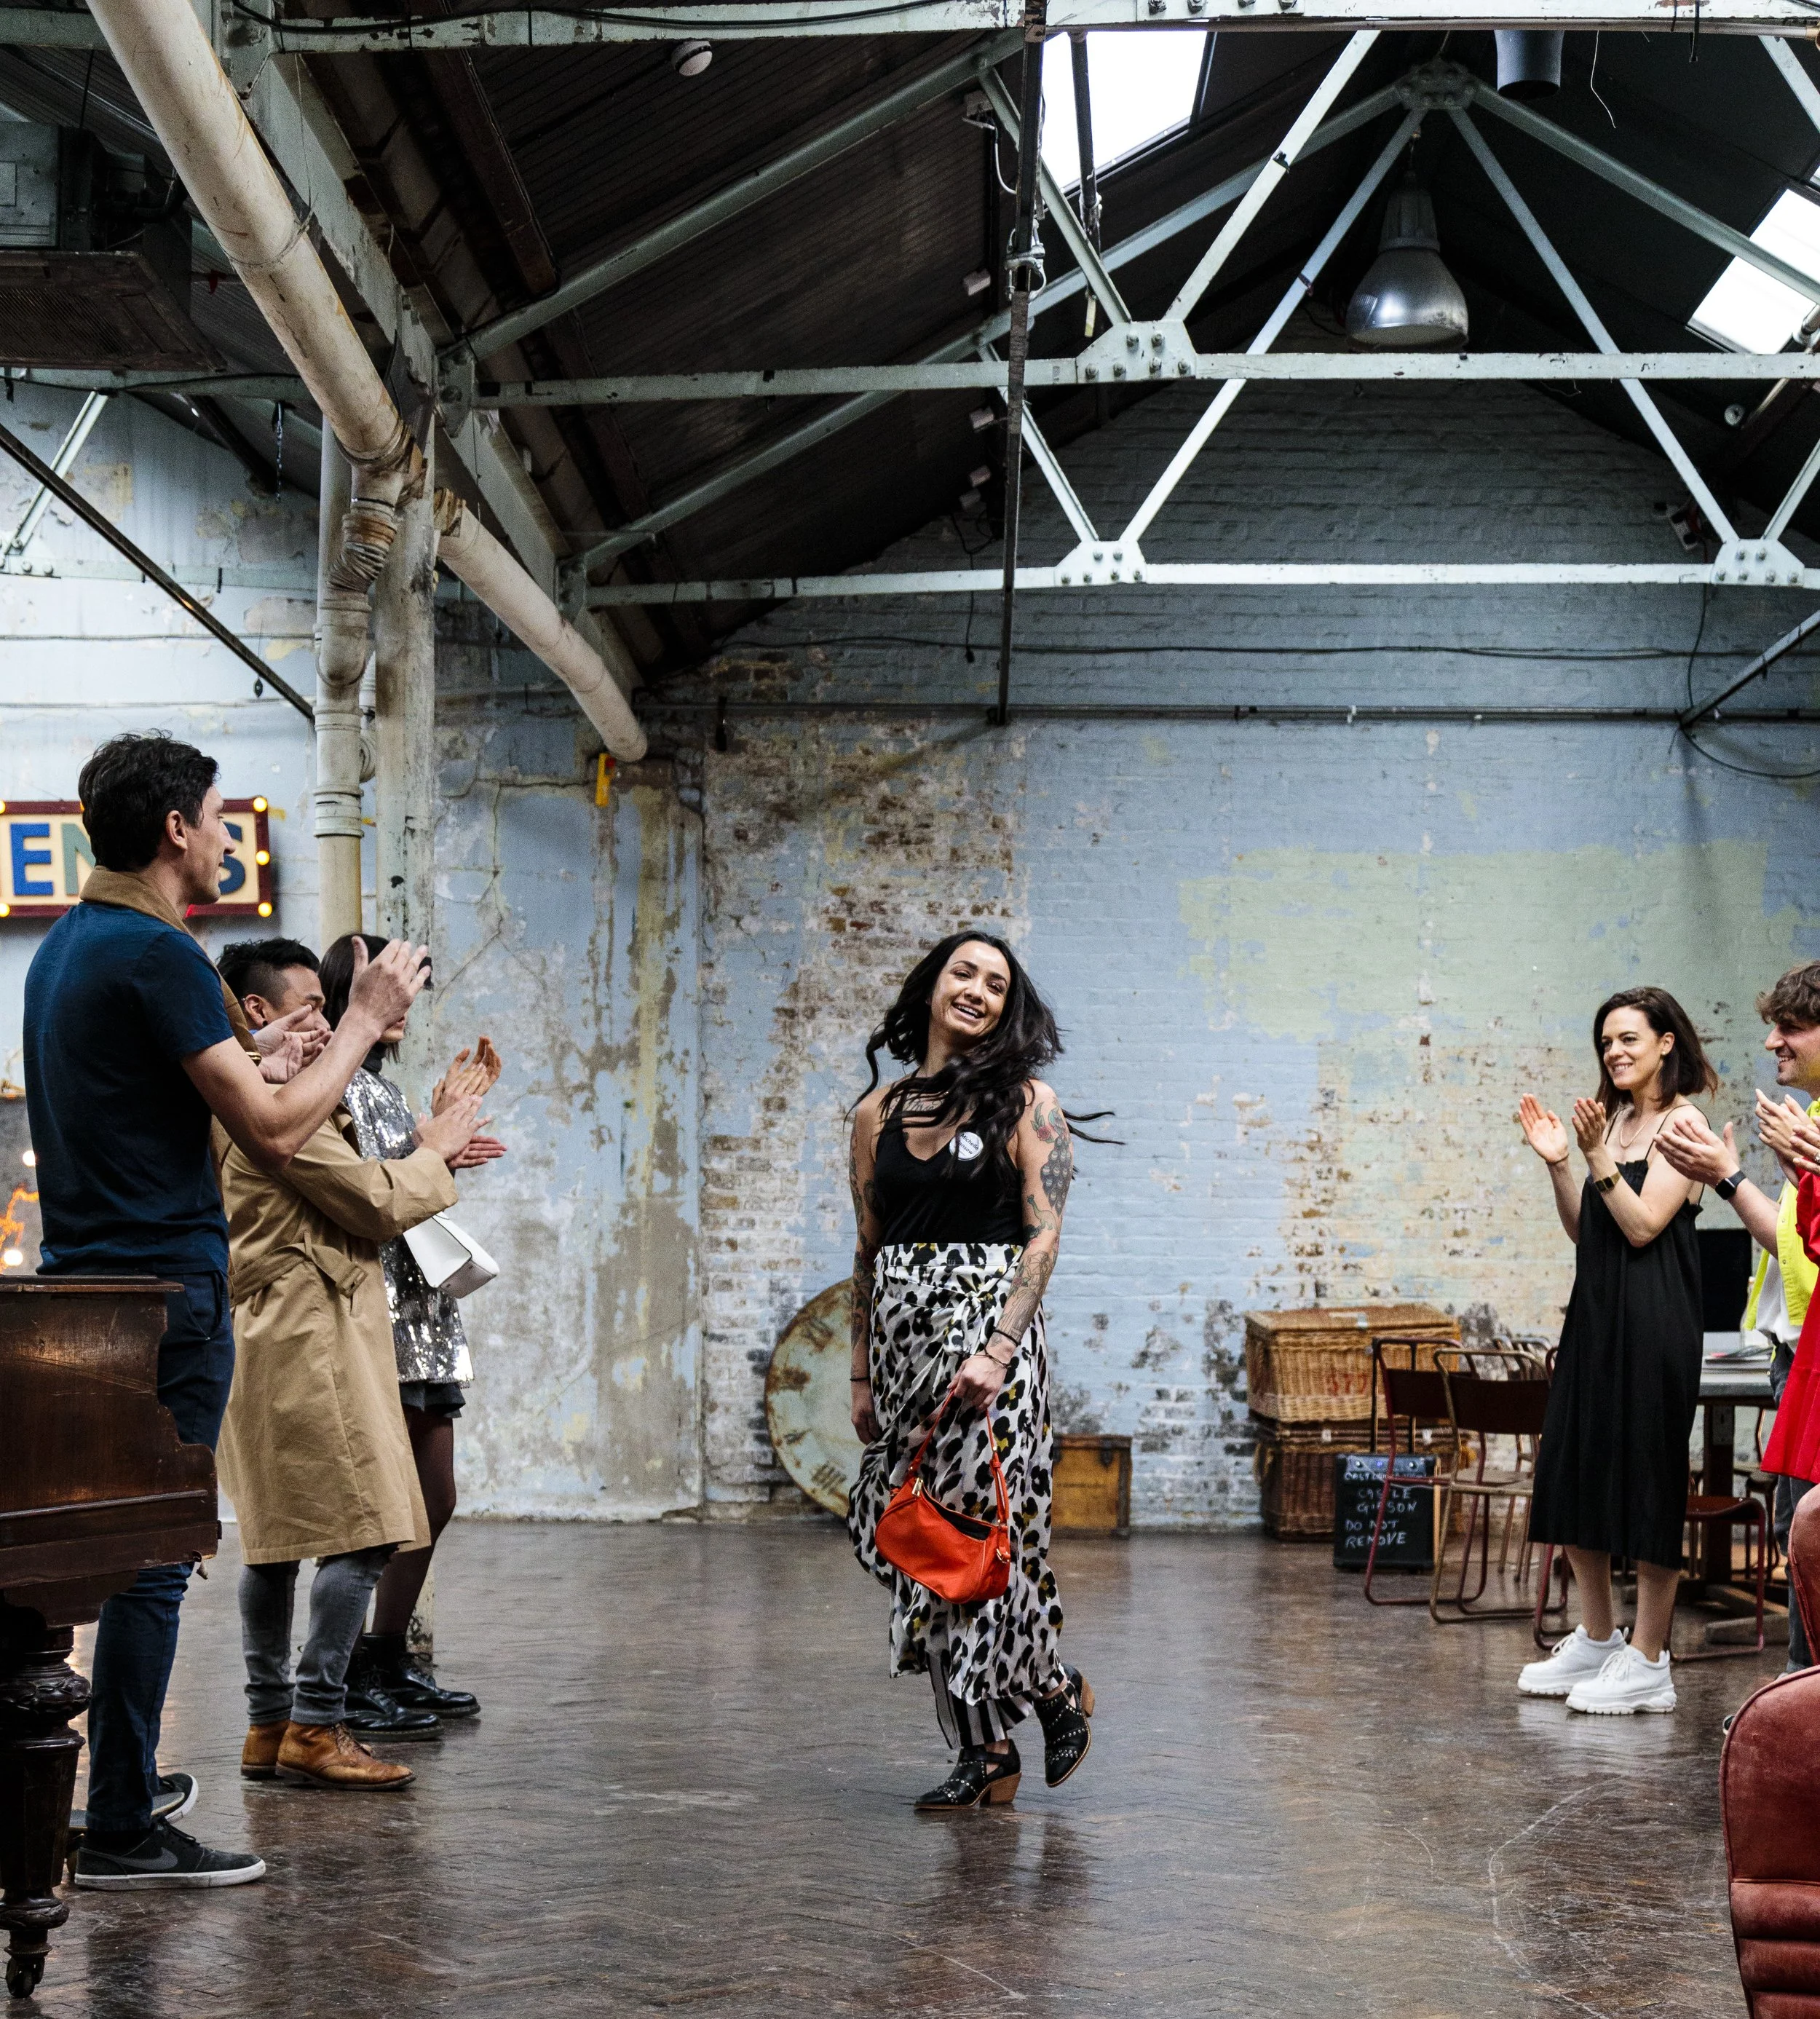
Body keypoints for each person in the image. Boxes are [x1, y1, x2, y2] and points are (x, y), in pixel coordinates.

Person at [23, 733, 428, 1889]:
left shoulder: (71, 948)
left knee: (122, 1554)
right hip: (169, 1293)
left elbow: (158, 1088)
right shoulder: (159, 952)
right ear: (176, 832)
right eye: (215, 812)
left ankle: (114, 1785)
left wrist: (256, 1047)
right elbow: (279, 1131)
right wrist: (358, 1017)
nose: (224, 831)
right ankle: (119, 1829)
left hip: (92, 1289)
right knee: (153, 1561)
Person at [215, 938, 487, 1789]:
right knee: (367, 1529)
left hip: (264, 1330)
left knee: (273, 1539)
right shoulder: (280, 1105)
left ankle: (269, 1723)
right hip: (312, 1334)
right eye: (313, 1005)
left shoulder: (236, 1091)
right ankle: (316, 1722)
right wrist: (436, 1147)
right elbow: (372, 1200)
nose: (328, 1022)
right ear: (257, 1011)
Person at [845, 931, 1094, 1810]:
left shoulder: (1028, 1102)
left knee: (990, 1544)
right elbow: (869, 1250)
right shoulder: (876, 1113)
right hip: (905, 1353)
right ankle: (1015, 1717)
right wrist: (860, 1374)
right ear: (930, 987)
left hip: (992, 1357)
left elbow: (1045, 1233)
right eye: (964, 972)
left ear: (1005, 1007)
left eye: (996, 983)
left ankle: (1011, 1724)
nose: (978, 991)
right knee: (918, 1540)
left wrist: (997, 1348)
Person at [314, 933, 506, 1727]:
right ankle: (339, 1677)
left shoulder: (381, 1089)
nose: (403, 997)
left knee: (434, 1492)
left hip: (421, 1308)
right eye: (384, 978)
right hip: (369, 1310)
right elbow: (359, 1193)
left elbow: (404, 1181)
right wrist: (433, 1145)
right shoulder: (323, 1079)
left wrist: (443, 1145)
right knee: (371, 1502)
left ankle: (385, 1655)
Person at [1514, 987, 1715, 1716]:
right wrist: (1560, 1165)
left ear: (1667, 1043)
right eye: (1605, 1042)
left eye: (1629, 1038)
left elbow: (1639, 1225)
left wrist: (1597, 1153)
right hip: (1594, 1320)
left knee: (1648, 1478)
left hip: (1654, 1324)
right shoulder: (1619, 1120)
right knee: (1574, 1469)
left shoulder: (1682, 1124)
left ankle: (1650, 1658)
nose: (1614, 1052)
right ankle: (1599, 1637)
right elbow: (1587, 1231)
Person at [1657, 960, 1820, 1670]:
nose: (1771, 1042)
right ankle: (1794, 1704)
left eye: (1790, 1027)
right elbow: (1792, 1238)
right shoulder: (1809, 1121)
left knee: (1808, 1538)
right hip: (1799, 1358)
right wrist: (1724, 1177)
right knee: (1798, 1535)